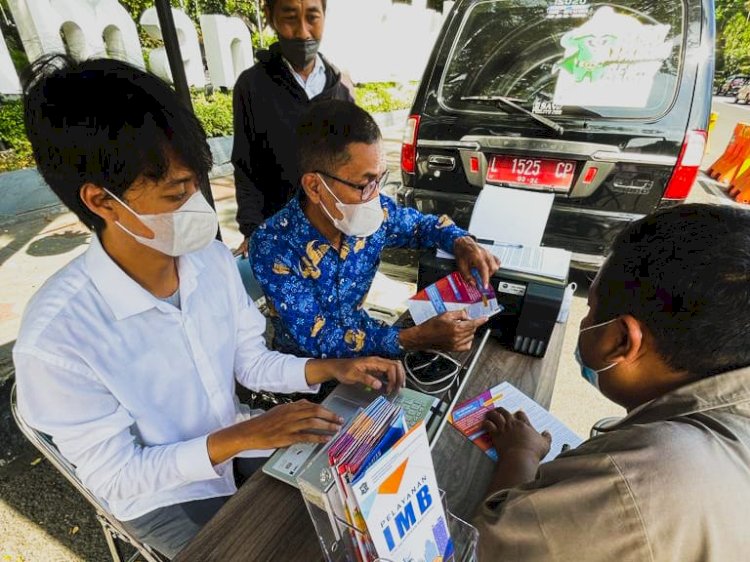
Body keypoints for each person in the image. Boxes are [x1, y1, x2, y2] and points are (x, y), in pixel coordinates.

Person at [13, 56, 404, 559]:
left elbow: (249, 359)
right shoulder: (57, 339)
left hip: (233, 442)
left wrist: (333, 367)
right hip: (161, 496)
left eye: (197, 181)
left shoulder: (208, 259)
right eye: (177, 192)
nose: (197, 203)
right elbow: (119, 473)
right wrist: (244, 435)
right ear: (102, 201)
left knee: (353, 504)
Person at [474, 204, 750, 561]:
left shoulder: (630, 483)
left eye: (590, 309)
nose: (585, 319)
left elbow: (482, 546)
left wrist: (519, 454)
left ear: (622, 341)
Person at [250, 99, 501, 359]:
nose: (375, 196)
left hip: (371, 342)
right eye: (364, 184)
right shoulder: (273, 245)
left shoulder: (376, 210)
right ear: (315, 187)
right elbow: (319, 339)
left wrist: (461, 242)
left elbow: (420, 226)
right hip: (307, 377)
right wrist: (414, 338)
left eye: (379, 179)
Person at [232, 0, 353, 253]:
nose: (303, 32)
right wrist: (254, 233)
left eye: (312, 17)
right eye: (289, 18)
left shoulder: (340, 90)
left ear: (324, 15)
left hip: (335, 237)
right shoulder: (252, 87)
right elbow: (245, 168)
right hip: (280, 242)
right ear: (270, 16)